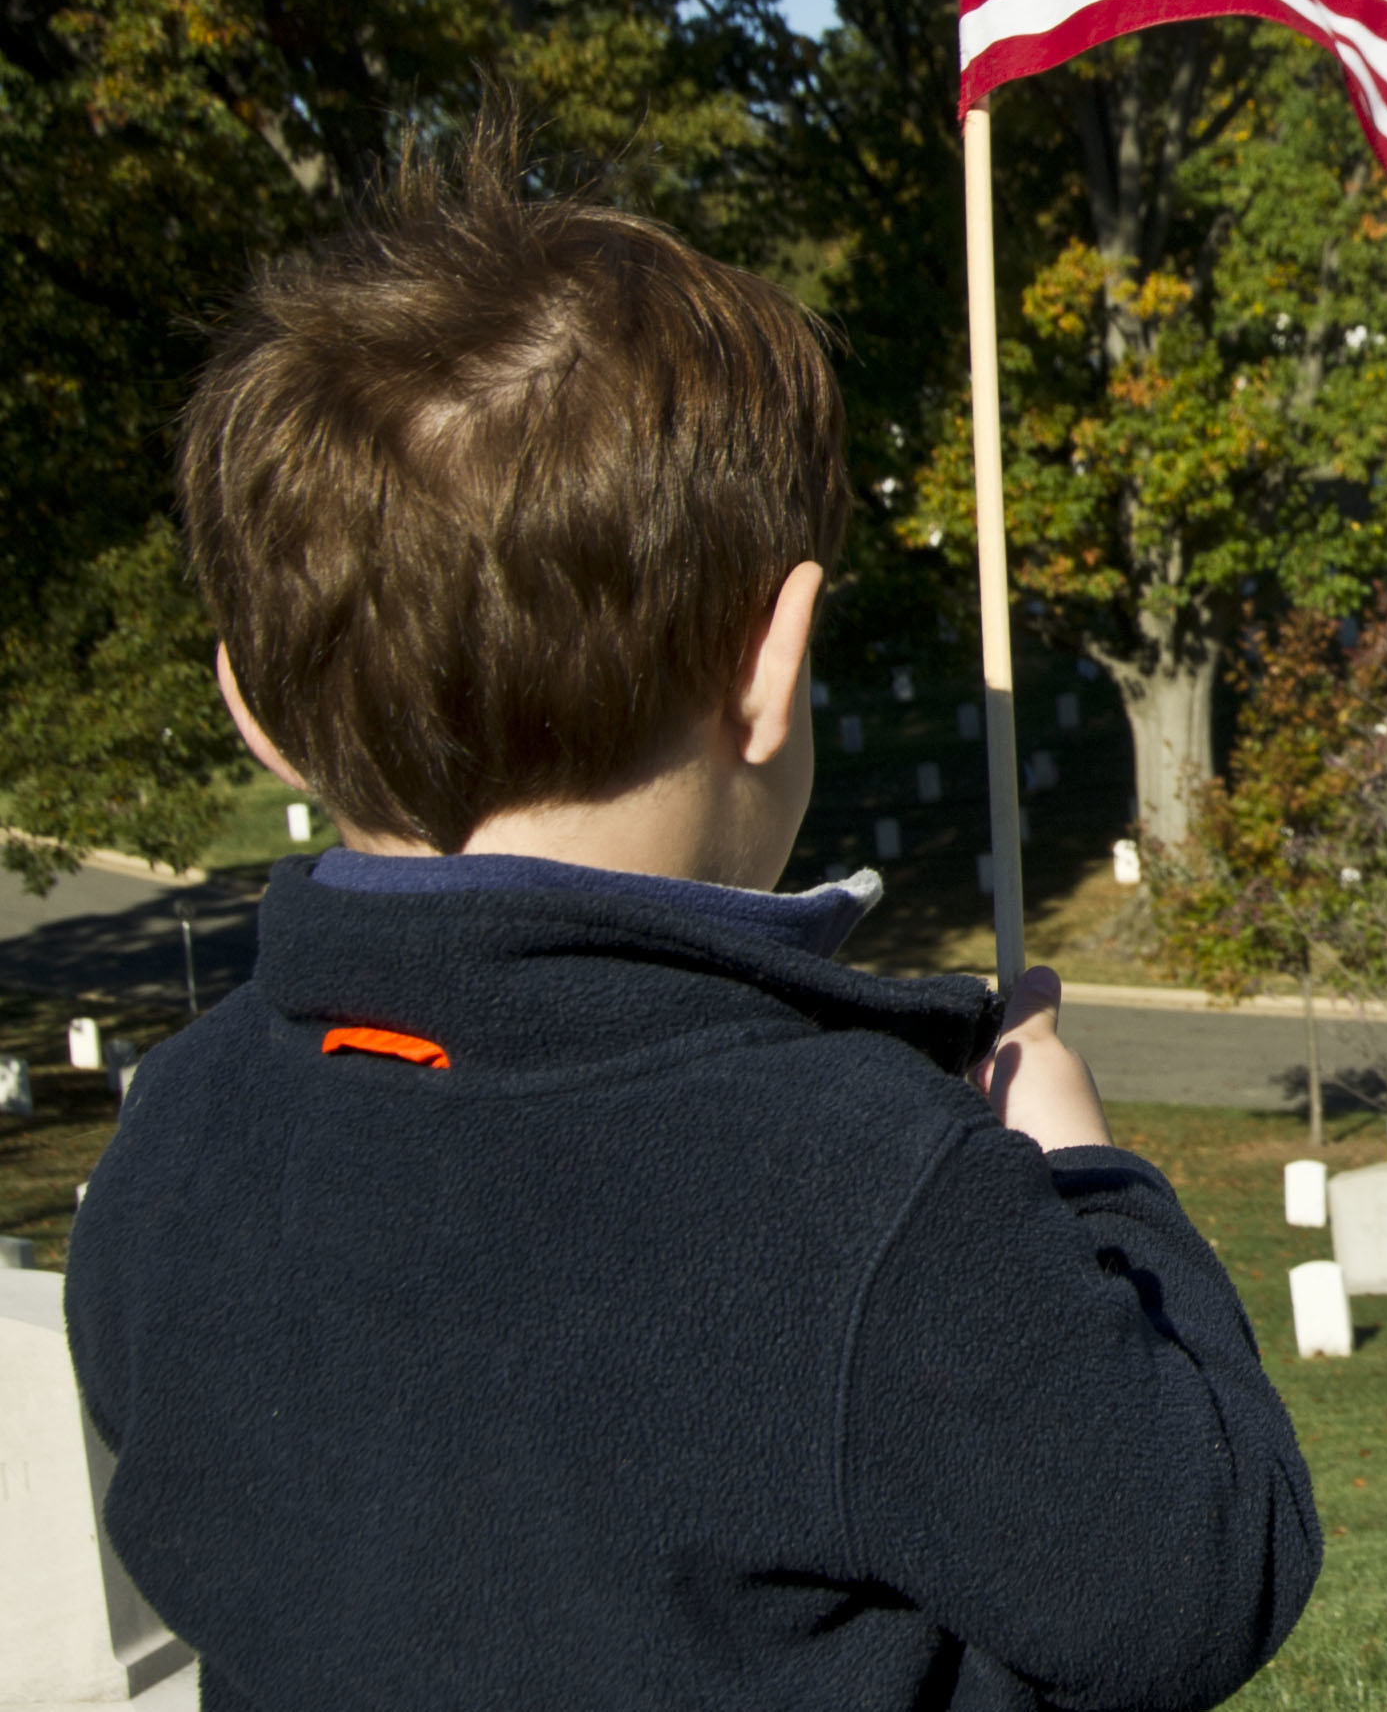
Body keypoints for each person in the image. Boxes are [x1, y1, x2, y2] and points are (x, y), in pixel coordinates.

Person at [64, 132, 1321, 1708]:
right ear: (771, 661)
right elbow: (1199, 1576)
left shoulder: (170, 1142)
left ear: (253, 711)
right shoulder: (864, 1182)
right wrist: (1083, 1176)